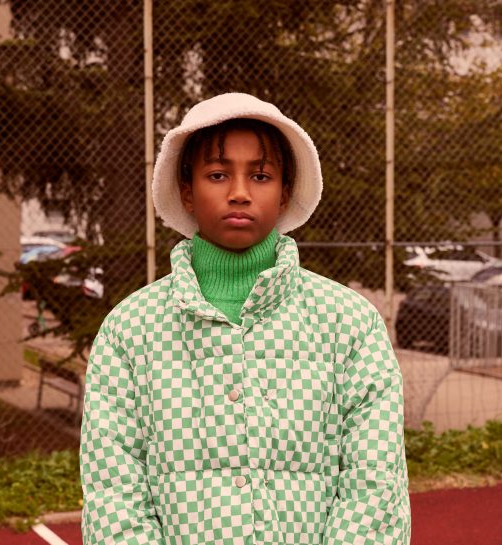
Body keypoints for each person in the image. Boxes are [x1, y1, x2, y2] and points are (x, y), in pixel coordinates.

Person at [80, 93, 411, 545]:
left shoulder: (349, 324)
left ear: (285, 192)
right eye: (217, 175)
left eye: (261, 175)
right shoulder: (130, 331)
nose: (239, 192)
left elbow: (375, 483)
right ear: (186, 191)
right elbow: (113, 492)